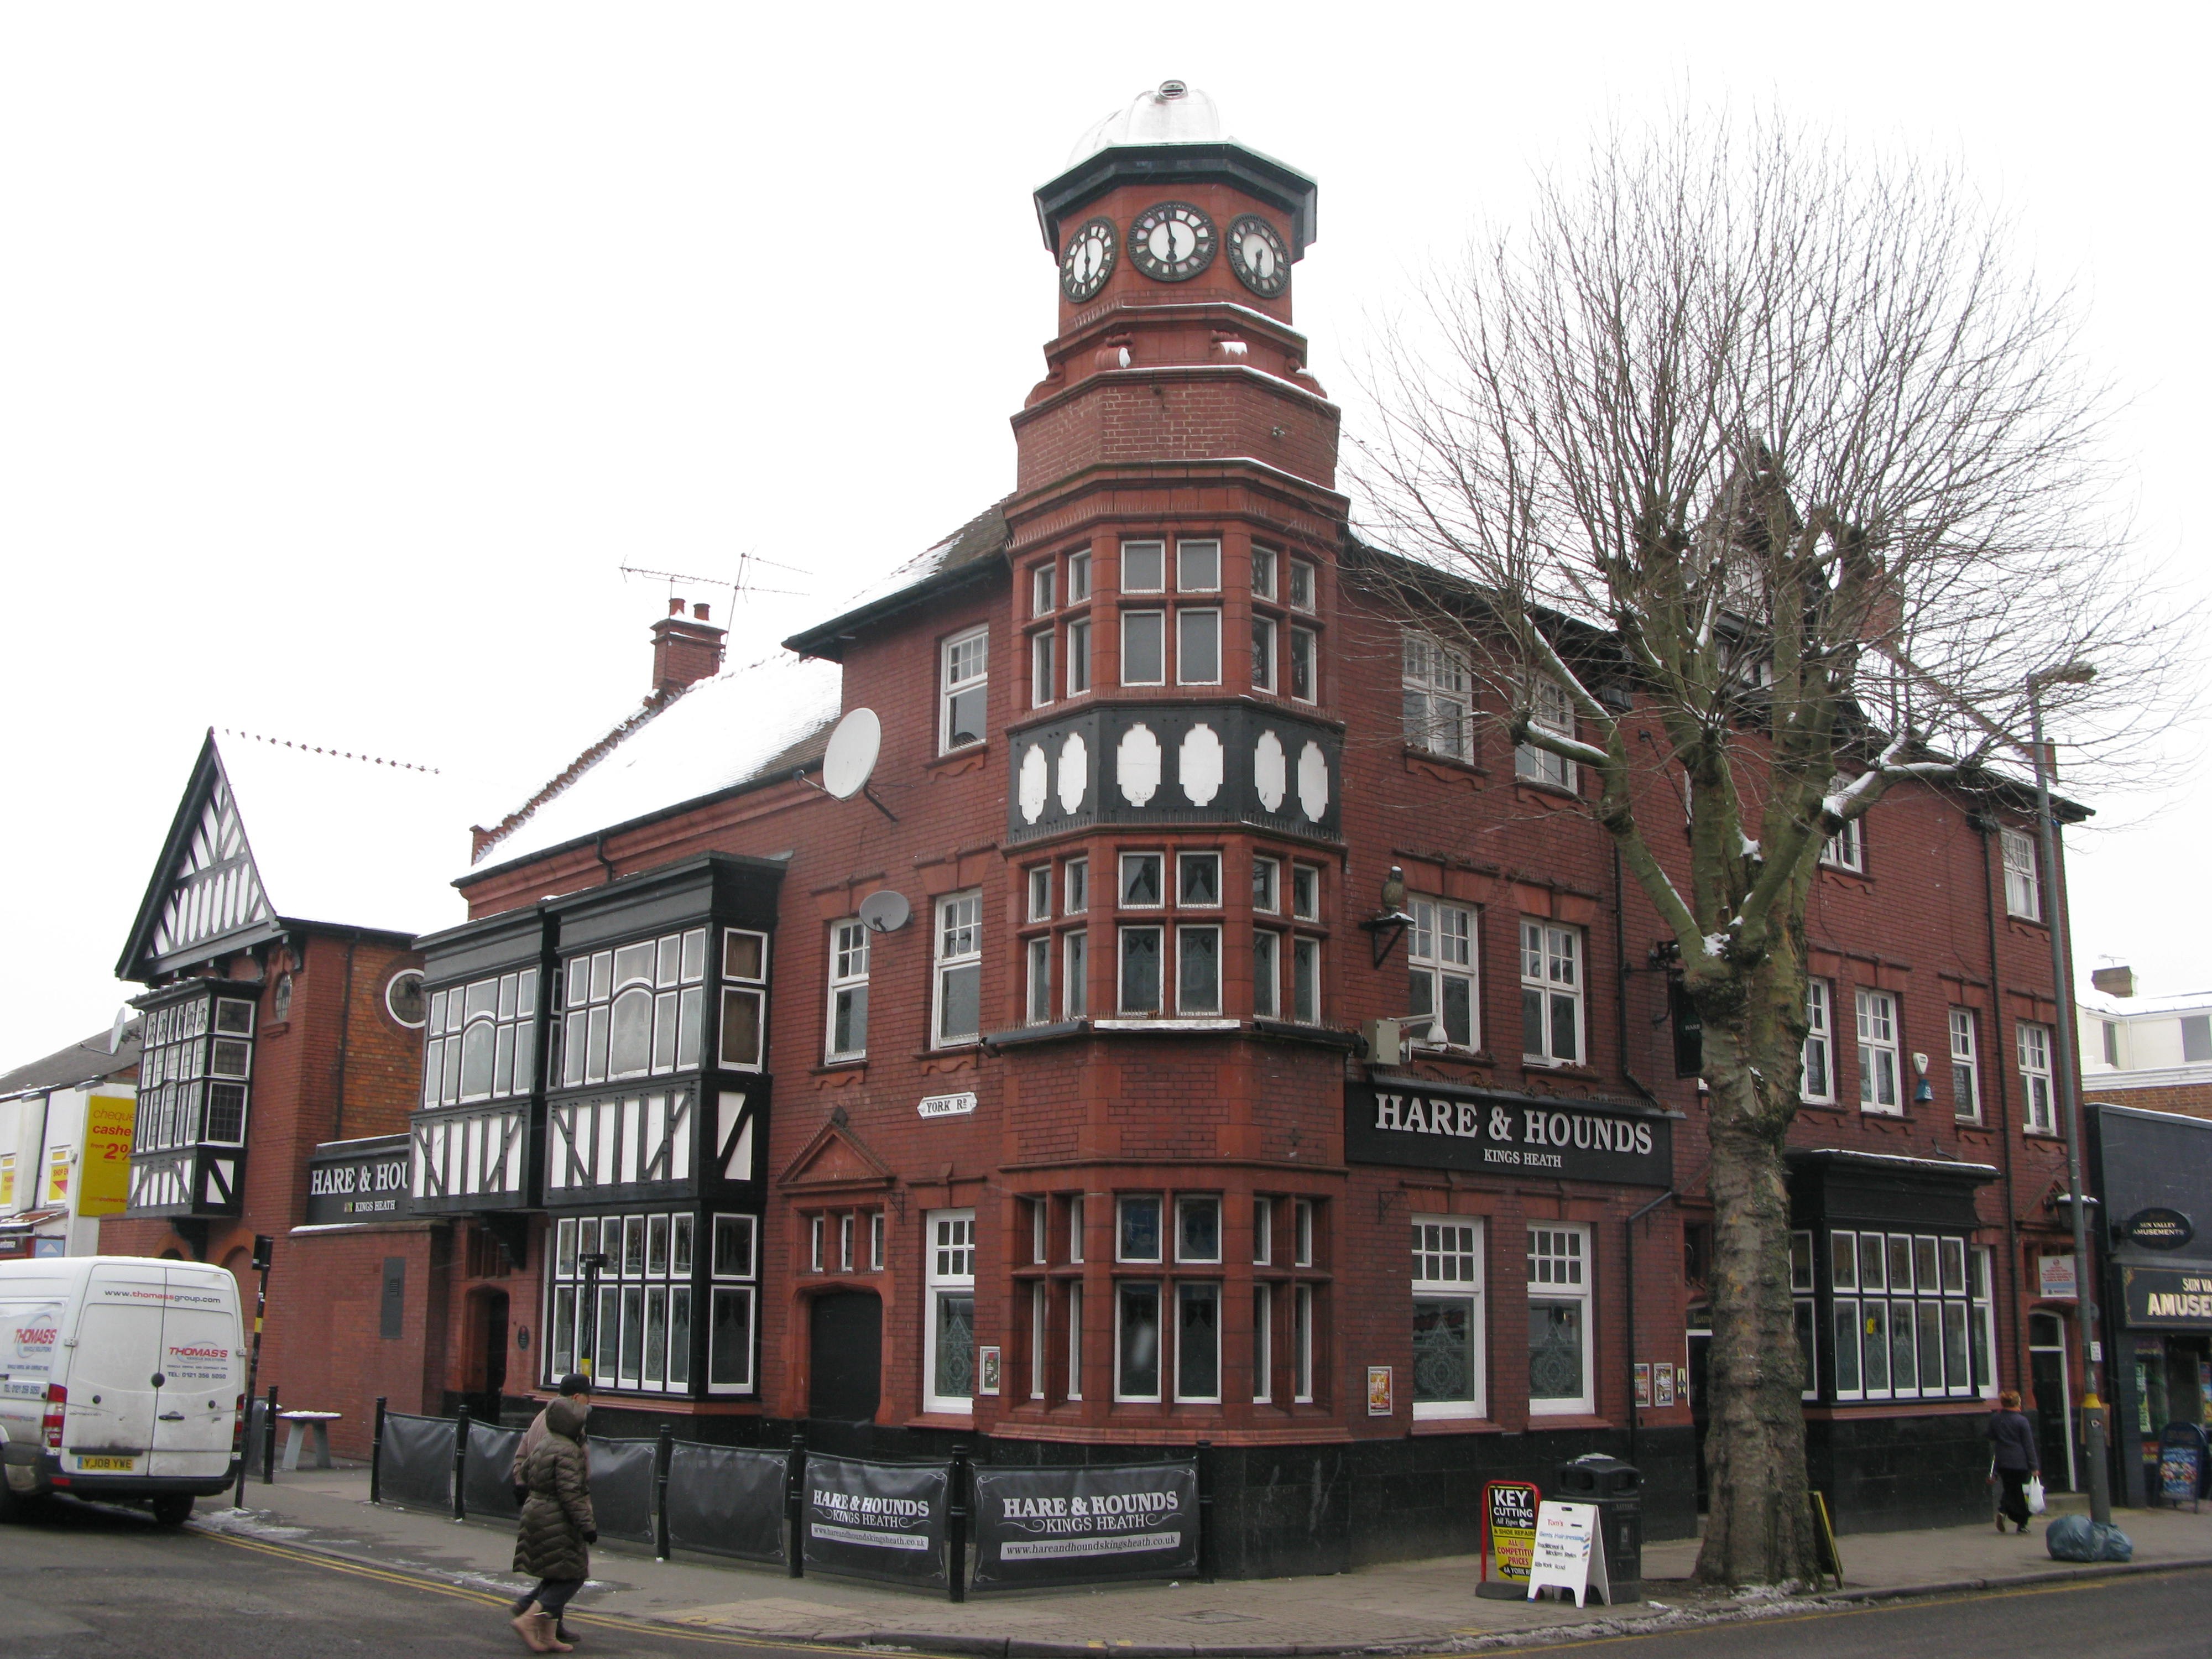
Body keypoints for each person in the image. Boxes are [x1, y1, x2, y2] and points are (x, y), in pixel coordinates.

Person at [509, 1394, 596, 1653]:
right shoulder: (568, 1451)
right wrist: (587, 1525)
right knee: (573, 1576)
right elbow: (571, 1494)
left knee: (554, 1572)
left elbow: (524, 1473)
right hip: (557, 1518)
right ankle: (528, 1618)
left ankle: (547, 1635)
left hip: (536, 1512)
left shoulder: (546, 1443)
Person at [1986, 1388, 2041, 1534]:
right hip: (2020, 1462)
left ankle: (2004, 1512)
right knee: (2023, 1494)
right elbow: (2028, 1445)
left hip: (2003, 1461)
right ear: (2017, 1404)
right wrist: (2034, 1466)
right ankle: (2021, 1524)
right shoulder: (2022, 1421)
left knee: (2010, 1488)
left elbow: (1991, 1436)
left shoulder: (1996, 1419)